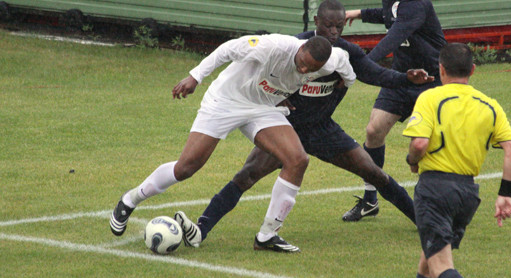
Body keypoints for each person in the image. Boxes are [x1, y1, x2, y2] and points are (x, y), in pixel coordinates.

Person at [173, 0, 434, 252]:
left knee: (373, 172)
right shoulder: (297, 48)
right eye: (328, 26)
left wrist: (406, 78)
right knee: (247, 176)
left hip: (323, 130)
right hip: (286, 127)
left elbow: (375, 74)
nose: (333, 32)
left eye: (339, 26)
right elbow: (265, 75)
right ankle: (201, 230)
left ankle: (424, 223)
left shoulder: (345, 54)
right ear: (316, 22)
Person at [109, 33, 357, 253]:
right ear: (300, 49)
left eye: (311, 69)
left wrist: (345, 81)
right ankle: (129, 200)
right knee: (186, 167)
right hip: (225, 101)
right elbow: (227, 49)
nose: (304, 71)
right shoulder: (273, 46)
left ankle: (267, 235)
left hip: (261, 109)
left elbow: (347, 69)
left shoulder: (331, 61)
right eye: (302, 64)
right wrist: (195, 76)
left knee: (298, 160)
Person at [402, 43, 511, 278]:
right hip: (467, 194)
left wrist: (411, 161)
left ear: (441, 69)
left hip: (435, 190)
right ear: (473, 70)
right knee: (427, 262)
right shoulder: (489, 105)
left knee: (440, 266)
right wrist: (505, 194)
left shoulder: (431, 98)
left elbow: (419, 144)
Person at [343, 0, 447, 221]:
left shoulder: (415, 2)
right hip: (401, 76)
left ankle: (437, 205)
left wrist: (362, 64)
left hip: (430, 81)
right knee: (374, 131)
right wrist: (360, 13)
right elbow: (388, 15)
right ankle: (370, 200)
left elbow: (393, 35)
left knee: (429, 145)